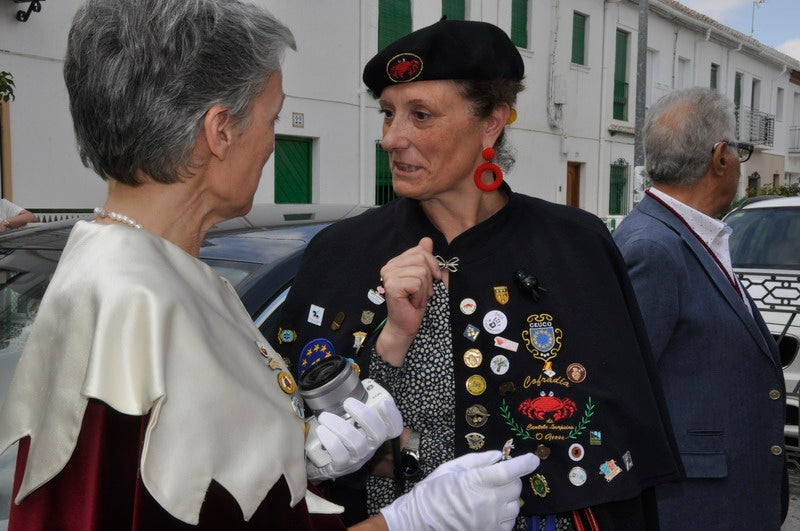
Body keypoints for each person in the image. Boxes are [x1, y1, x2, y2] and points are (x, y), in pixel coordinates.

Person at [0, 1, 539, 530]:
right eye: (272, 118)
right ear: (220, 131)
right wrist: (409, 521)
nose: (270, 145)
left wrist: (297, 460)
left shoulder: (130, 274)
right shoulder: (145, 307)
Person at [272, 18, 683, 530]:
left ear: (491, 122)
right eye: (388, 113)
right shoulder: (342, 253)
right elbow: (291, 434)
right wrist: (387, 347)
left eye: (421, 115)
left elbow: (619, 437)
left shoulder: (576, 246)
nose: (392, 138)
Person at [613, 87, 788, 530]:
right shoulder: (654, 247)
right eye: (739, 151)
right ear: (721, 157)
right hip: (692, 506)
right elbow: (621, 390)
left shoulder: (684, 235)